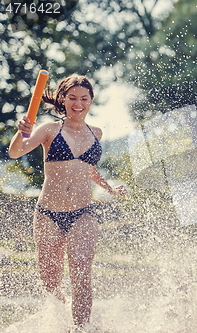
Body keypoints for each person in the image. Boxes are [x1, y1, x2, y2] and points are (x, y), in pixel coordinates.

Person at [8, 74, 127, 330]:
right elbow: (15, 152)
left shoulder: (96, 133)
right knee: (50, 281)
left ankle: (80, 329)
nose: (78, 103)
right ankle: (59, 322)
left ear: (91, 101)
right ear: (63, 99)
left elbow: (88, 169)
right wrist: (21, 134)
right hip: (48, 214)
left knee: (82, 274)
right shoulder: (50, 129)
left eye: (84, 98)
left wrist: (109, 188)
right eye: (72, 98)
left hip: (83, 214)